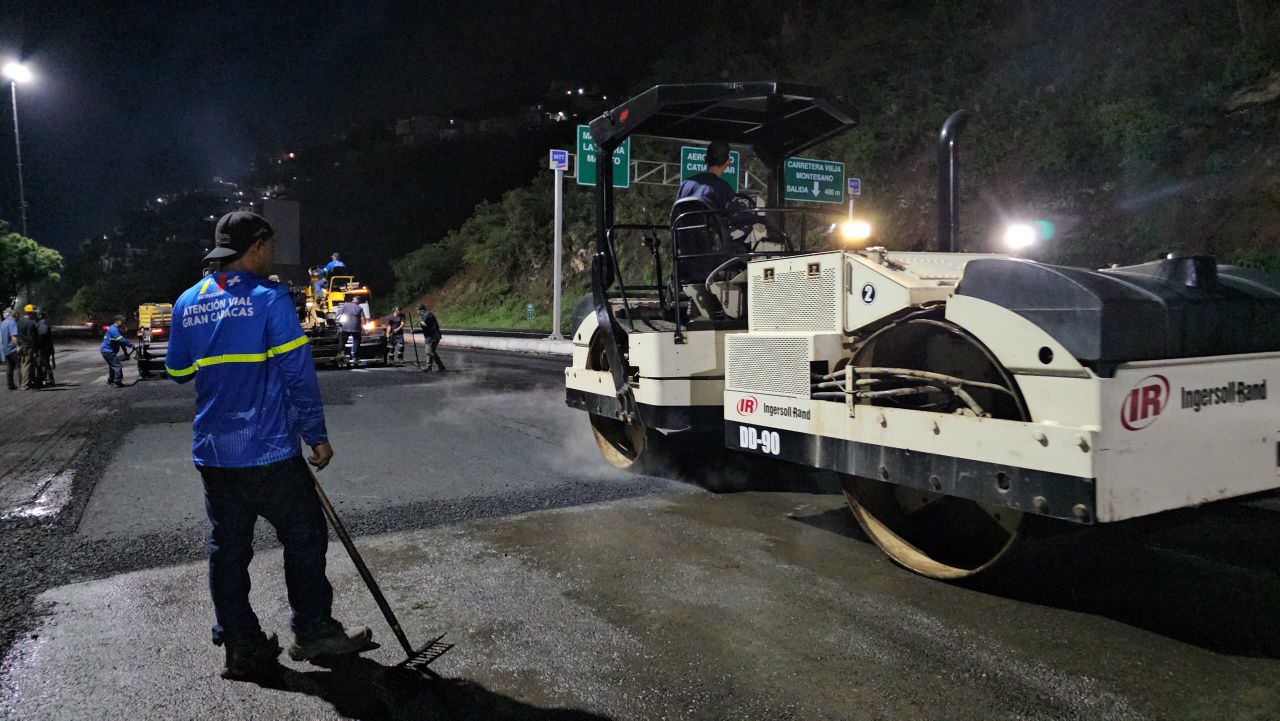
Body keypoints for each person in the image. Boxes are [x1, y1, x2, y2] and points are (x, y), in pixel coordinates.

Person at [165, 211, 372, 681]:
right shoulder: (270, 298)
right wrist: (316, 436)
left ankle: (241, 647)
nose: (273, 254)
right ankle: (313, 630)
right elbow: (298, 374)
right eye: (271, 246)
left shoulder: (186, 302)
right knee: (305, 535)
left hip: (214, 453)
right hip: (268, 452)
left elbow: (178, 371)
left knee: (228, 549)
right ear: (257, 246)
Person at [100, 315, 133, 387]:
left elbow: (121, 343)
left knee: (112, 366)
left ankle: (111, 380)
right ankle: (117, 382)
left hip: (107, 351)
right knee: (117, 365)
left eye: (124, 322)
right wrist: (131, 345)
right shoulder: (113, 329)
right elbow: (121, 340)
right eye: (122, 322)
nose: (123, 323)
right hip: (107, 351)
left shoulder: (117, 329)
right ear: (116, 321)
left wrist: (126, 353)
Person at [336, 294, 365, 367]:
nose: (359, 302)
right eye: (359, 301)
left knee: (343, 340)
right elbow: (362, 319)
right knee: (356, 341)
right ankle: (355, 355)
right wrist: (364, 327)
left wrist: (335, 319)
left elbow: (339, 313)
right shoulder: (360, 308)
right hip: (356, 328)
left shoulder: (345, 306)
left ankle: (342, 352)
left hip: (345, 327)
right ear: (357, 300)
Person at [417, 304, 446, 372]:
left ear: (421, 310)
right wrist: (416, 331)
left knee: (429, 351)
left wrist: (418, 324)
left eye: (417, 310)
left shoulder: (427, 314)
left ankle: (430, 366)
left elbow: (423, 325)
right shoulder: (425, 315)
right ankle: (440, 366)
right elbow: (426, 328)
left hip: (433, 336)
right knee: (430, 351)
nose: (417, 311)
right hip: (430, 336)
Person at [17, 305, 39, 390]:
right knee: (26, 365)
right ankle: (25, 384)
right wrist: (35, 347)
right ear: (30, 313)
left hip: (21, 345)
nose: (35, 315)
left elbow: (18, 334)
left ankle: (28, 382)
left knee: (23, 364)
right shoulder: (30, 323)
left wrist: (18, 345)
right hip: (28, 346)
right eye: (34, 313)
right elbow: (31, 337)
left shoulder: (19, 321)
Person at [35, 310, 54, 388]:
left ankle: (45, 380)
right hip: (44, 347)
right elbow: (43, 336)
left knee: (43, 364)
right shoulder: (44, 324)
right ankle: (47, 380)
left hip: (42, 347)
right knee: (45, 364)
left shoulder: (39, 324)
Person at [1, 308, 18, 391]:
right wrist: (17, 346)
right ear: (13, 314)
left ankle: (10, 384)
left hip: (5, 348)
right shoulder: (12, 322)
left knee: (9, 367)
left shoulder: (3, 322)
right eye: (15, 313)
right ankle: (23, 384)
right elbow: (13, 336)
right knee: (19, 366)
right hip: (13, 349)